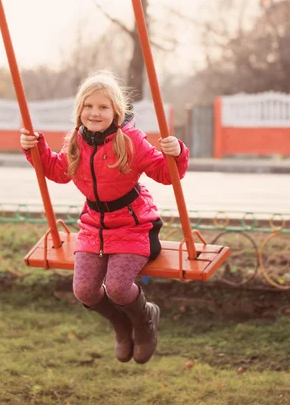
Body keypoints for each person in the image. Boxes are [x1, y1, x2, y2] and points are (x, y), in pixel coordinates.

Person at [20, 71, 189, 365]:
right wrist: (34, 147)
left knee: (119, 288)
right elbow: (58, 171)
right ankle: (121, 325)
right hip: (95, 226)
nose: (94, 113)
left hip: (134, 225)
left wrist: (176, 153)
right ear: (79, 110)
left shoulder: (131, 140)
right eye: (88, 106)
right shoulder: (75, 140)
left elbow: (165, 173)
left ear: (116, 111)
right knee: (84, 290)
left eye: (103, 107)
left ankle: (145, 319)